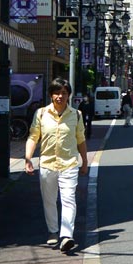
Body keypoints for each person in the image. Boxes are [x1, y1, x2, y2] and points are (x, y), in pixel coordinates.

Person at [24, 77, 88, 253]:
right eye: (57, 93)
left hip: (69, 164)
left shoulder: (76, 115)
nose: (60, 96)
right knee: (49, 200)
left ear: (69, 96)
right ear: (51, 95)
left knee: (68, 200)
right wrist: (28, 158)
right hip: (47, 164)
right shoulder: (41, 113)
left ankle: (67, 236)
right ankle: (53, 231)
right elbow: (33, 137)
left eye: (64, 93)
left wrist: (85, 162)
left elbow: (80, 139)